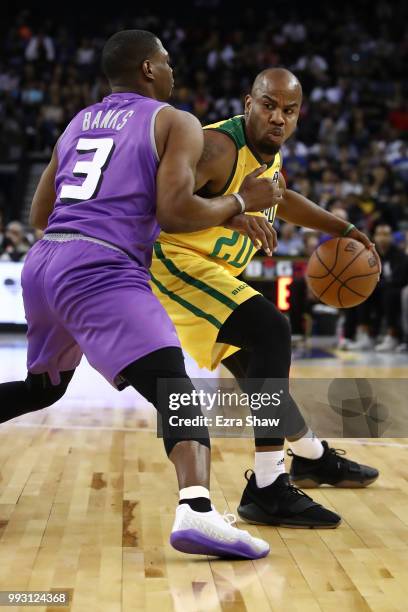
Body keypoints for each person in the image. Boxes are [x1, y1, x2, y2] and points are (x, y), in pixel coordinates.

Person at [0, 31, 284, 560]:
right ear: (149, 69)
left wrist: (223, 209)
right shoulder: (174, 120)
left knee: (44, 389)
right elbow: (176, 213)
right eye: (169, 63)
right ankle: (198, 512)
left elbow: (40, 216)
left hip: (46, 263)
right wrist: (241, 199)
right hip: (101, 267)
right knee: (177, 390)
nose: (174, 72)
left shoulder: (77, 122)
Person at [151, 68, 380, 529]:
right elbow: (164, 207)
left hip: (210, 271)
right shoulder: (218, 148)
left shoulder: (269, 156)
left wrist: (344, 228)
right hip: (173, 265)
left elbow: (282, 199)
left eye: (289, 110)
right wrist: (234, 210)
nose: (278, 117)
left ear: (298, 117)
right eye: (269, 105)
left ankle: (312, 457)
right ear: (248, 103)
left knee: (261, 378)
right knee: (273, 328)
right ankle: (268, 487)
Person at [345, 224, 408, 352]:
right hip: (378, 290)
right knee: (360, 292)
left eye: (386, 234)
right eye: (380, 234)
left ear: (391, 237)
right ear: (374, 237)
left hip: (394, 291)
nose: (382, 238)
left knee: (389, 294)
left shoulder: (400, 256)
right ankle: (365, 335)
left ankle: (393, 336)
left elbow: (399, 280)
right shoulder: (371, 255)